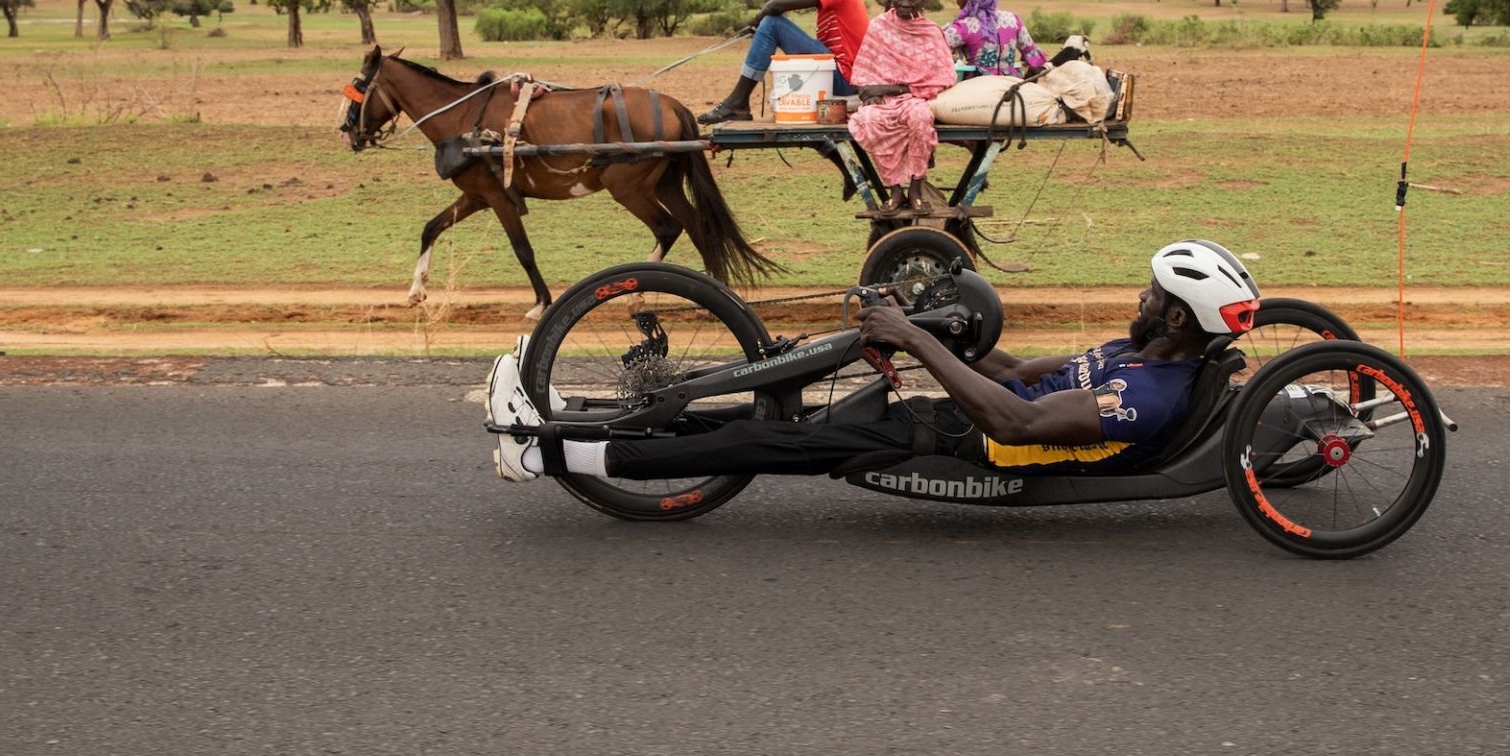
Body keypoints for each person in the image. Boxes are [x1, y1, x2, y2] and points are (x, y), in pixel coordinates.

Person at [486, 241, 1263, 484]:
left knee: (759, 445)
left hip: (960, 444)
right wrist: (932, 325)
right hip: (956, 413)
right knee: (735, 416)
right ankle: (567, 423)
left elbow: (1019, 422)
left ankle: (545, 457)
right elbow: (1021, 375)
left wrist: (920, 345)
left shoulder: (1151, 396)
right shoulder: (1135, 349)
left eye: (1151, 292)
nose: (1139, 294)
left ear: (1175, 316)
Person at [696, 0, 871, 125]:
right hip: (836, 73)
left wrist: (758, 19)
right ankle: (738, 102)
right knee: (774, 23)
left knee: (772, 23)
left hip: (843, 78)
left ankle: (737, 102)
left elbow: (775, 6)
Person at [846, 0, 955, 213]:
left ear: (923, 1)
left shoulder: (930, 32)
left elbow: (944, 76)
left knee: (920, 118)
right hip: (882, 101)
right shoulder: (879, 27)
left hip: (915, 98)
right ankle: (895, 190)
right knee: (869, 119)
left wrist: (896, 88)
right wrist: (870, 91)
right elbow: (864, 72)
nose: (905, 3)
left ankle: (916, 186)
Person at [943, 0, 1046, 78]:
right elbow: (1033, 56)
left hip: (977, 87)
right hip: (1012, 83)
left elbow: (935, 48)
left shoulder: (964, 27)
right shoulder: (1013, 19)